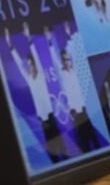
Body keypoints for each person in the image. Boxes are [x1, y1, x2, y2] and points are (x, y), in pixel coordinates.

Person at [6, 23, 66, 163]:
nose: (28, 65)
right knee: (52, 151)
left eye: (30, 63)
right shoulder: (29, 79)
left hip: (51, 116)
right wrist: (11, 46)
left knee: (61, 146)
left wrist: (28, 38)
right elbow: (19, 64)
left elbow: (36, 57)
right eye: (27, 64)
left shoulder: (39, 75)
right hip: (42, 119)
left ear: (34, 64)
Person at [46, 23, 103, 153]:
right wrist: (49, 41)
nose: (67, 61)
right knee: (84, 146)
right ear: (62, 61)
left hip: (84, 111)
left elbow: (75, 52)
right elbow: (54, 59)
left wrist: (68, 34)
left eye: (68, 59)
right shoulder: (62, 73)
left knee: (95, 142)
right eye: (65, 60)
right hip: (76, 115)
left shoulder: (75, 70)